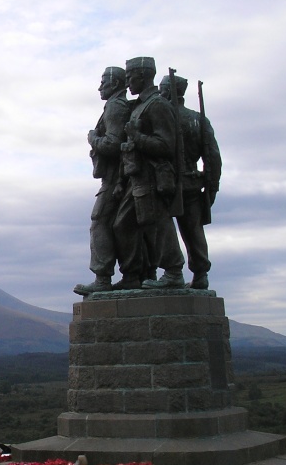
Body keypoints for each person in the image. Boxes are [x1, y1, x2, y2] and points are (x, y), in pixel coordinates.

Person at [146, 74, 223, 289]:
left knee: (163, 229)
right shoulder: (199, 120)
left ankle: (171, 271)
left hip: (165, 184)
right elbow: (213, 159)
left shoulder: (163, 117)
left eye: (162, 90)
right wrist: (212, 187)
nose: (160, 94)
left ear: (169, 91)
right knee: (193, 231)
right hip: (192, 183)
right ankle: (200, 274)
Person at [110, 56, 179, 290]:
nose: (127, 82)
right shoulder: (138, 106)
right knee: (123, 225)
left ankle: (173, 271)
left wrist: (137, 137)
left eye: (130, 77)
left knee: (158, 223)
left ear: (143, 75)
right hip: (135, 176)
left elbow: (167, 145)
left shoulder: (157, 105)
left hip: (153, 176)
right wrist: (121, 179)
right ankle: (132, 275)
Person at [74, 67, 132, 296]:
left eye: (103, 82)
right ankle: (130, 274)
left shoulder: (115, 106)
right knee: (121, 226)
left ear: (116, 83)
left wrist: (92, 138)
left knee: (99, 221)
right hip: (119, 177)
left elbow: (112, 144)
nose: (100, 87)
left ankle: (102, 277)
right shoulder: (118, 105)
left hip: (116, 178)